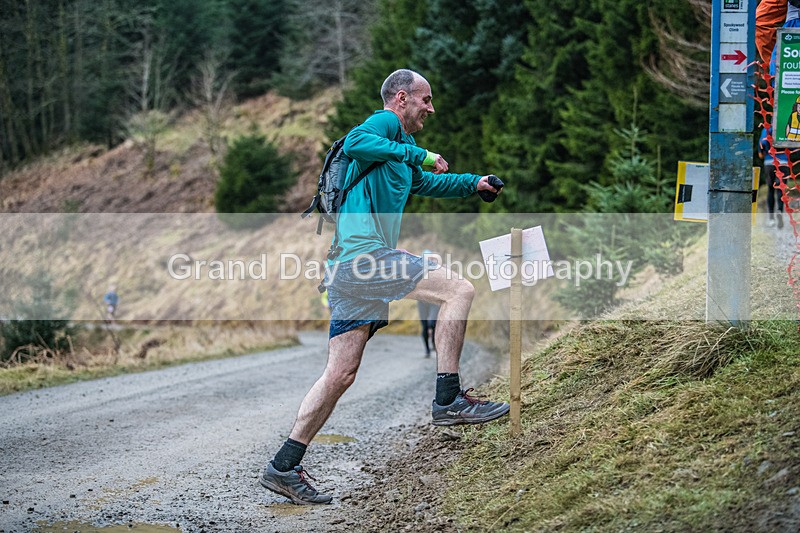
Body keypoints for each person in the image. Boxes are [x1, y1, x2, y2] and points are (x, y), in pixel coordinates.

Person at [259, 69, 509, 505]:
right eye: (425, 100)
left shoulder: (402, 150)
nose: (430, 108)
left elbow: (428, 182)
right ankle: (448, 399)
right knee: (458, 290)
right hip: (364, 257)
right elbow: (356, 143)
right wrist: (424, 155)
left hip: (348, 270)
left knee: (340, 374)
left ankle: (283, 466)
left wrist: (474, 183)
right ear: (401, 98)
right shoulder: (383, 124)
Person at [759, 127, 787, 229]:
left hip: (769, 162)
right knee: (781, 189)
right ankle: (780, 210)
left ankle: (771, 218)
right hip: (783, 162)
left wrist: (763, 152)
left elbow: (761, 148)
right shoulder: (784, 128)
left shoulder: (766, 130)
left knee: (770, 189)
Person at [417, 250, 440, 357]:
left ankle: (434, 343)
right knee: (425, 326)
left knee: (432, 323)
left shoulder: (437, 269)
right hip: (422, 302)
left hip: (434, 302)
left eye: (430, 259)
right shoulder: (417, 271)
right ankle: (427, 350)